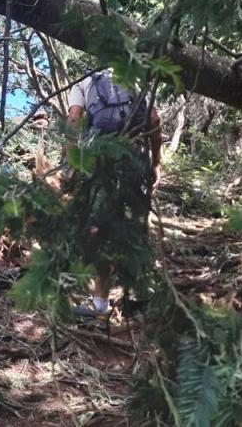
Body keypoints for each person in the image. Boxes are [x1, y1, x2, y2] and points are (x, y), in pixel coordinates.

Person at [65, 69, 162, 319]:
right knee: (137, 226)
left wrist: (73, 163)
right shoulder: (133, 76)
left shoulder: (84, 81)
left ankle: (100, 305)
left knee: (100, 229)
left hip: (100, 160)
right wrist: (155, 162)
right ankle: (141, 297)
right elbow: (153, 118)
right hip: (134, 157)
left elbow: (74, 119)